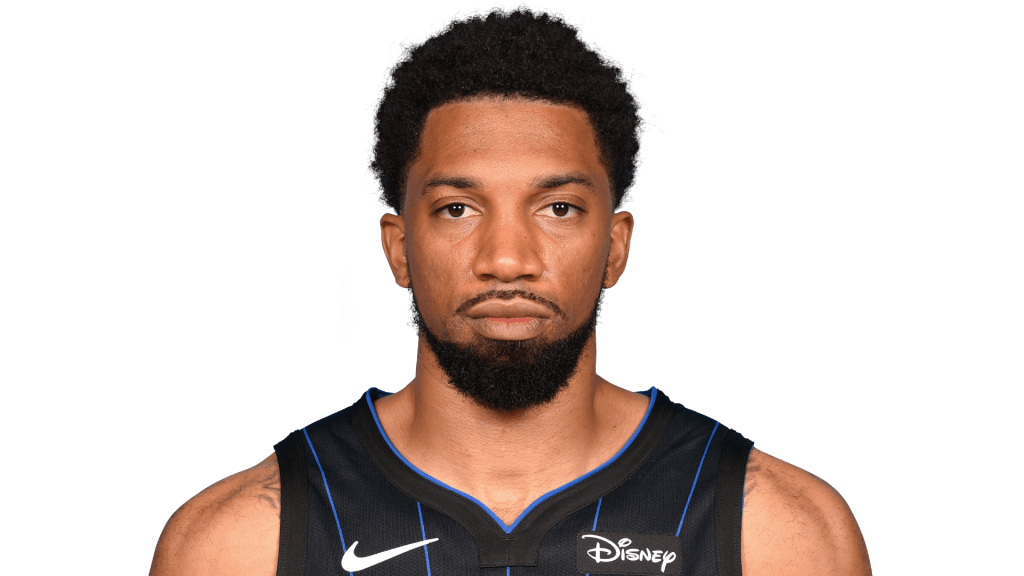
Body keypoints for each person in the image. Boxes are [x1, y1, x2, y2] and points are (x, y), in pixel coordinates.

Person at [149, 3, 871, 575]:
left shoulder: (776, 534)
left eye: (558, 208)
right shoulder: (241, 543)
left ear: (616, 246)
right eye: (457, 209)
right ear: (398, 248)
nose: (506, 259)